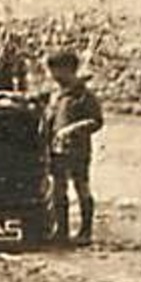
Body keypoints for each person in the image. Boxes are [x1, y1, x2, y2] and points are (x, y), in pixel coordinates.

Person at [41, 49, 104, 245]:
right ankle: (61, 231)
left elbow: (97, 121)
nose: (52, 76)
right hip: (56, 149)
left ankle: (85, 232)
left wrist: (72, 130)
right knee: (58, 189)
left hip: (78, 150)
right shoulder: (56, 95)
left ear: (68, 69)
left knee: (81, 187)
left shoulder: (84, 95)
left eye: (55, 71)